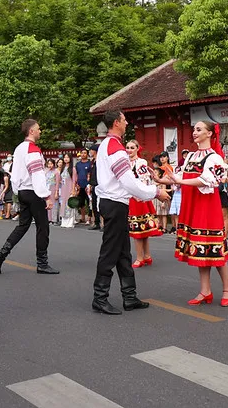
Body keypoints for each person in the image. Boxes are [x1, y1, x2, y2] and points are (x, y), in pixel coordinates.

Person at [92, 110, 169, 315]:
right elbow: (128, 182)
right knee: (110, 252)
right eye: (125, 120)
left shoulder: (105, 146)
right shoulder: (116, 148)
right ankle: (100, 298)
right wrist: (155, 192)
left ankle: (129, 296)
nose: (127, 123)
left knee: (123, 252)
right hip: (115, 202)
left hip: (111, 201)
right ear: (116, 123)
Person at [156, 121, 228, 307]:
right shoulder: (191, 155)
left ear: (209, 134)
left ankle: (227, 288)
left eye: (199, 130)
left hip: (207, 206)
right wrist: (159, 179)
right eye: (194, 130)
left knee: (214, 247)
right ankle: (205, 290)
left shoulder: (214, 158)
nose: (194, 133)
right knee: (199, 248)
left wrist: (181, 182)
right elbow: (179, 176)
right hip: (192, 205)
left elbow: (206, 181)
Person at [0, 120, 58, 275]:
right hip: (33, 191)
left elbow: (15, 174)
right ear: (32, 131)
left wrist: (18, 191)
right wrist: (46, 195)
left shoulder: (19, 148)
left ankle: (1, 255)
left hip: (22, 191)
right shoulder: (33, 149)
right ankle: (42, 263)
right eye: (39, 129)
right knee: (43, 226)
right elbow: (37, 174)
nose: (40, 131)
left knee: (23, 226)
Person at [125, 140, 162, 268]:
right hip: (131, 197)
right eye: (127, 147)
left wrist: (141, 195)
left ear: (137, 149)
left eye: (132, 148)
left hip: (138, 198)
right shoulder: (126, 162)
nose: (129, 150)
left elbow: (145, 180)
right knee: (141, 229)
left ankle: (140, 257)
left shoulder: (141, 162)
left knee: (138, 229)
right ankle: (146, 256)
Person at [168, 149, 189, 234]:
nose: (185, 155)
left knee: (182, 211)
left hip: (184, 191)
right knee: (176, 211)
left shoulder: (189, 167)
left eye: (187, 154)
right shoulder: (178, 167)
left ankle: (183, 228)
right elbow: (174, 179)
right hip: (177, 191)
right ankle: (177, 228)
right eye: (184, 154)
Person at [74, 149, 92, 225]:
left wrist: (89, 184)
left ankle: (89, 218)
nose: (83, 154)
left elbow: (90, 174)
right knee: (81, 203)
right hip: (79, 185)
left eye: (85, 153)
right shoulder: (78, 164)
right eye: (82, 153)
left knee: (89, 202)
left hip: (87, 186)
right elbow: (76, 175)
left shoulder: (90, 163)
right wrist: (76, 184)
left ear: (87, 154)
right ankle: (82, 218)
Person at [59, 153, 76, 228]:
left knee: (69, 205)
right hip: (63, 189)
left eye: (67, 157)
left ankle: (70, 222)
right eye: (65, 157)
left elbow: (74, 180)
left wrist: (73, 190)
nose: (66, 159)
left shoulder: (73, 169)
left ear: (70, 159)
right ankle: (64, 222)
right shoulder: (62, 168)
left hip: (69, 188)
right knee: (63, 205)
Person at [88, 145, 101, 230]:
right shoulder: (92, 161)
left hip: (100, 185)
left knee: (100, 205)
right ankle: (97, 223)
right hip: (93, 185)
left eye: (91, 150)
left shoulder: (100, 161)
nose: (90, 152)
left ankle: (104, 223)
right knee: (94, 205)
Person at [46, 159, 60, 224]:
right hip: (47, 189)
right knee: (48, 204)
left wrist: (57, 192)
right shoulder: (46, 172)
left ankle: (54, 219)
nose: (50, 165)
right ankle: (49, 219)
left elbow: (57, 183)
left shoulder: (56, 172)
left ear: (54, 164)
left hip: (53, 188)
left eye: (51, 164)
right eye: (49, 164)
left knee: (54, 204)